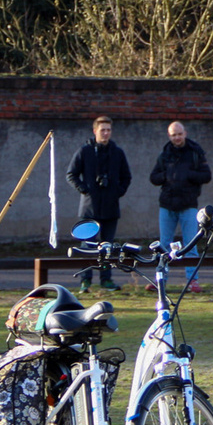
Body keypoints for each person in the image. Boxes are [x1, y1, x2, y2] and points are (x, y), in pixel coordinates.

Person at [65, 115, 131, 292]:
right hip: (89, 208)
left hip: (110, 207)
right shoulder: (85, 151)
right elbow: (71, 174)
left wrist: (118, 191)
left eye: (109, 130)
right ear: (95, 131)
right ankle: (85, 280)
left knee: (107, 246)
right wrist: (85, 189)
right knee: (87, 246)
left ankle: (106, 279)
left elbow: (127, 176)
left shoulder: (117, 152)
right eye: (103, 130)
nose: (106, 133)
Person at [149, 121, 212, 292]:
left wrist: (188, 175)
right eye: (173, 135)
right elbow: (153, 177)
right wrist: (167, 175)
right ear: (169, 136)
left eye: (179, 134)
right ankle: (161, 280)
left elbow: (207, 175)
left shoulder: (195, 153)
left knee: (191, 243)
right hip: (167, 205)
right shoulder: (164, 155)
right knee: (163, 244)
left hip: (188, 204)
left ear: (185, 133)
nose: (177, 137)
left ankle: (193, 281)